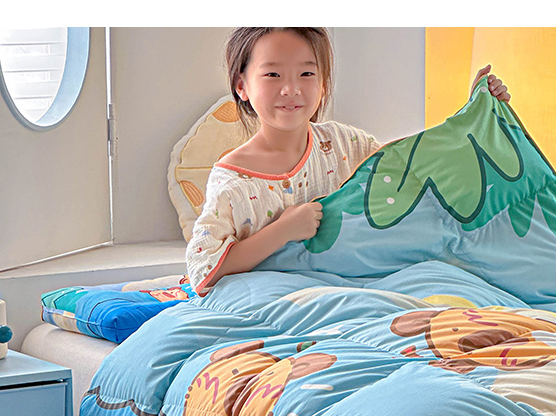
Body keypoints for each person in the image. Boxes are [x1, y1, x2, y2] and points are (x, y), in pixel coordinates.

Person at [186, 27, 510, 296]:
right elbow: (204, 271)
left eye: (307, 73)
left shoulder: (342, 143)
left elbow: (408, 165)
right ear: (241, 86)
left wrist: (471, 116)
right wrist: (282, 231)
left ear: (323, 83)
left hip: (357, 289)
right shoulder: (233, 181)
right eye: (273, 74)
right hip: (281, 300)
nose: (291, 88)